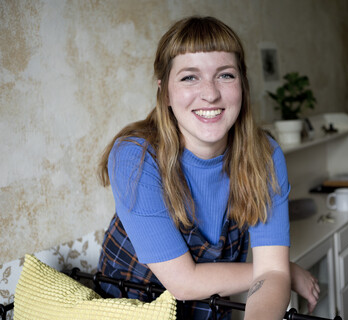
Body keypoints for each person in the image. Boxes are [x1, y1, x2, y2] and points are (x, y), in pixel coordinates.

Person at [97, 16, 320, 319]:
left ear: (243, 83)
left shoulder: (264, 156)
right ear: (165, 92)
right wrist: (279, 270)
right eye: (190, 77)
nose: (210, 93)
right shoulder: (135, 157)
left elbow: (272, 276)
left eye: (225, 75)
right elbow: (184, 283)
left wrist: (277, 272)